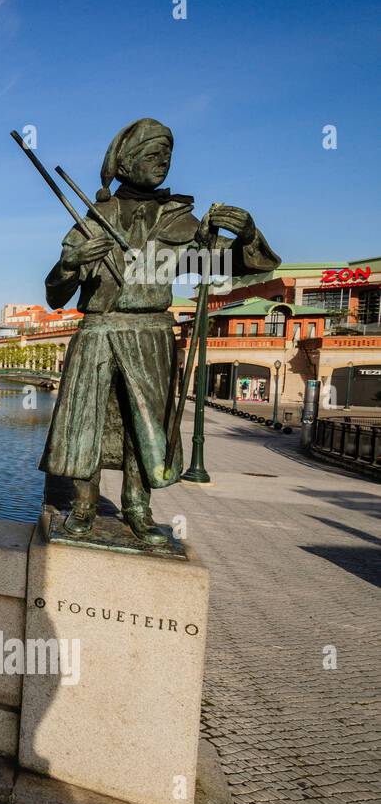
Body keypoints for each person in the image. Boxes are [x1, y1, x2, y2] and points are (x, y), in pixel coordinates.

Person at [41, 117, 279, 544]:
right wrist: (72, 264)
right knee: (85, 421)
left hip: (150, 330)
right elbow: (56, 295)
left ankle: (138, 507)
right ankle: (83, 504)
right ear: (125, 164)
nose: (163, 161)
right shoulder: (94, 219)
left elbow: (232, 268)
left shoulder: (182, 221)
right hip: (98, 328)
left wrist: (247, 235)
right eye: (152, 154)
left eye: (167, 154)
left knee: (146, 424)